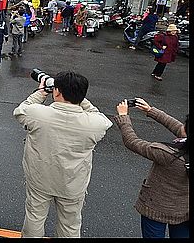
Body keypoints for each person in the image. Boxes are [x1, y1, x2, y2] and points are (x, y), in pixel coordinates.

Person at [13, 71, 113, 237]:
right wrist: (79, 98)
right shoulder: (95, 124)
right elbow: (99, 115)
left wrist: (41, 91)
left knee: (35, 218)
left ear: (56, 91)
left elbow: (21, 110)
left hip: (40, 178)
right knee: (70, 225)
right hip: (73, 183)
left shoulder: (38, 114)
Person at [113, 98, 189, 238]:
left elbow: (132, 142)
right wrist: (150, 110)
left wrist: (123, 118)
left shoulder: (167, 154)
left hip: (156, 208)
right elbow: (180, 130)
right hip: (184, 210)